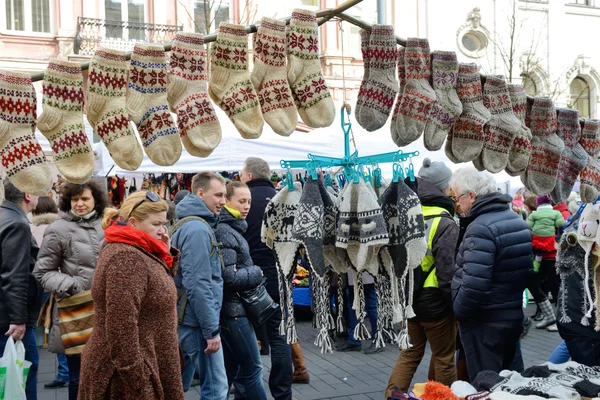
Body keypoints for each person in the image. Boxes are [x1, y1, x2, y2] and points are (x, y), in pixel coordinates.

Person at [79, 191, 184, 399]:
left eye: (164, 223)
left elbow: (154, 290)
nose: (162, 229)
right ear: (134, 223)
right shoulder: (127, 257)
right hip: (125, 375)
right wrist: (139, 380)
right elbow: (121, 325)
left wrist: (163, 249)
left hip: (142, 361)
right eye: (156, 224)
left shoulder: (132, 246)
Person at [450, 167, 532, 381]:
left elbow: (473, 285)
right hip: (511, 315)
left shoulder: (480, 228)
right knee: (510, 382)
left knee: (487, 384)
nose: (456, 204)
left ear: (472, 196)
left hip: (485, 322)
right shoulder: (517, 221)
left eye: (457, 197)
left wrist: (459, 311)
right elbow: (526, 272)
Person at [386, 159, 459, 395]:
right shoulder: (444, 222)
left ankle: (391, 396)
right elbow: (447, 271)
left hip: (409, 298)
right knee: (444, 357)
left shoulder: (405, 213)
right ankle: (444, 398)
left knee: (409, 353)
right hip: (435, 300)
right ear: (443, 188)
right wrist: (454, 304)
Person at [34, 181, 108, 400]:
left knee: (107, 373)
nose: (80, 204)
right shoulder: (58, 229)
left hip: (107, 309)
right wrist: (71, 284)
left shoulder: (107, 224)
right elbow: (42, 272)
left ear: (95, 199)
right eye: (75, 199)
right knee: (79, 377)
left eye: (85, 199)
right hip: (78, 310)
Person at [240, 157, 297, 396]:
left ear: (249, 176)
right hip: (280, 277)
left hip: (248, 280)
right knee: (279, 338)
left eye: (242, 174)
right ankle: (282, 393)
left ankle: (247, 389)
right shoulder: (283, 200)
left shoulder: (242, 202)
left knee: (245, 337)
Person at [172, 172, 228, 399]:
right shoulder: (196, 229)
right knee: (216, 388)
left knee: (181, 385)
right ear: (200, 193)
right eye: (218, 195)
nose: (223, 201)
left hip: (190, 318)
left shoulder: (192, 224)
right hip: (196, 321)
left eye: (224, 195)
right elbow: (198, 283)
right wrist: (211, 330)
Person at [216, 181, 268, 399]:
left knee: (231, 370)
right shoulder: (225, 232)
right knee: (253, 369)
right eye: (241, 201)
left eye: (249, 201)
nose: (247, 206)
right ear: (226, 201)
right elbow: (229, 277)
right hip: (234, 311)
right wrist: (257, 272)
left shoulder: (232, 229)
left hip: (233, 311)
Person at [0, 180, 42, 400]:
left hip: (5, 316)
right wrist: (18, 319)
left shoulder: (5, 216)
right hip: (10, 321)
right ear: (27, 194)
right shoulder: (17, 222)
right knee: (22, 374)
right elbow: (15, 275)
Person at [30, 196, 70, 389]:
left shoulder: (34, 230)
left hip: (40, 286)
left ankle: (63, 372)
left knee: (51, 328)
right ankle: (65, 371)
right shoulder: (61, 228)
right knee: (60, 328)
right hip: (60, 285)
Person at [527, 194, 565, 331]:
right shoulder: (556, 213)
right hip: (550, 253)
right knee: (539, 285)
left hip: (546, 255)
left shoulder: (535, 215)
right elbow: (562, 224)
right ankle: (550, 317)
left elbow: (527, 226)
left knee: (554, 288)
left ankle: (560, 321)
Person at [337, 270, 381, 354]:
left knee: (371, 306)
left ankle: (378, 339)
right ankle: (354, 340)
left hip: (368, 271)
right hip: (353, 272)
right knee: (353, 305)